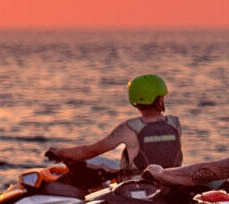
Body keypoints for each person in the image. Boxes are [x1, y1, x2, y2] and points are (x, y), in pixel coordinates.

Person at [44, 74, 182, 174]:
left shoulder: (129, 128)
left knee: (95, 165)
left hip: (140, 189)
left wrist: (61, 152)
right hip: (170, 185)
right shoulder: (175, 124)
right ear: (160, 99)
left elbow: (89, 151)